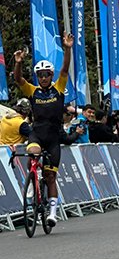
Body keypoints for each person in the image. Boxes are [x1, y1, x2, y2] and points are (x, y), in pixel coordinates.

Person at [13, 32, 74, 227]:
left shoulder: (58, 88)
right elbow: (17, 79)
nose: (44, 77)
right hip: (37, 133)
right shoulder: (33, 91)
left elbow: (65, 68)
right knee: (33, 152)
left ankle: (52, 213)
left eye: (47, 74)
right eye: (40, 75)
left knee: (51, 176)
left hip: (54, 137)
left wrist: (68, 48)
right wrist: (19, 62)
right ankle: (32, 181)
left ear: (51, 75)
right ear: (38, 77)